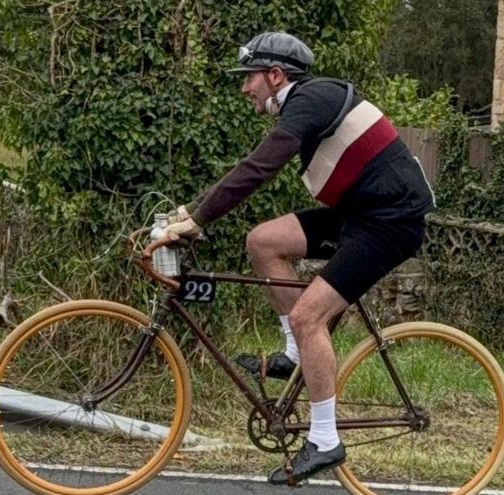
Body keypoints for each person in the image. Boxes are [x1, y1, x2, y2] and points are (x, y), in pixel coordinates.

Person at [164, 31, 435, 484]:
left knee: (310, 315)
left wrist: (199, 217)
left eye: (249, 78)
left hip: (390, 223)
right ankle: (295, 353)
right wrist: (191, 212)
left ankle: (325, 440)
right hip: (358, 215)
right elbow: (253, 167)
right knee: (263, 242)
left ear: (275, 76)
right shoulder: (304, 103)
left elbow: (259, 166)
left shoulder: (312, 98)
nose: (244, 88)